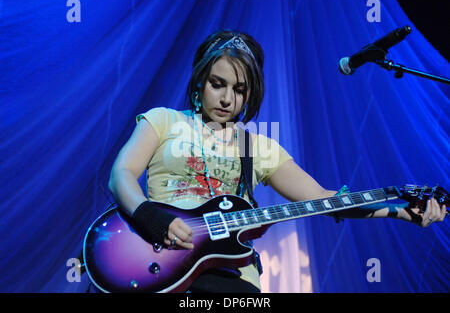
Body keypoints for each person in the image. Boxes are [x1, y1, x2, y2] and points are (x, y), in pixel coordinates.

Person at [107, 30, 447, 293]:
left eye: (239, 89)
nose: (227, 98)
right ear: (199, 83)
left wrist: (400, 210)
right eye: (217, 84)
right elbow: (121, 174)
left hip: (233, 279)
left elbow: (322, 199)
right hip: (158, 263)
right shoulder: (164, 120)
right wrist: (149, 216)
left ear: (251, 94)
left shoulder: (259, 147)